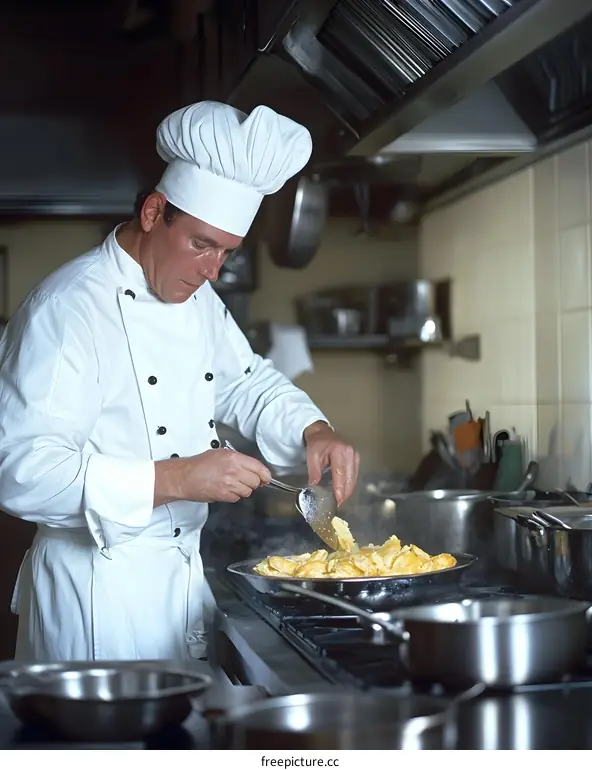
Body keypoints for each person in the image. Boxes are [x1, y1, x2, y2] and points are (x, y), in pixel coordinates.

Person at [0, 101, 360, 662]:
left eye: (226, 253)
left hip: (180, 586)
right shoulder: (65, 309)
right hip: (95, 597)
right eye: (201, 244)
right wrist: (176, 478)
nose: (212, 270)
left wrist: (313, 430)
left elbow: (244, 383)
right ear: (153, 212)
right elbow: (22, 472)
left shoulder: (196, 298)